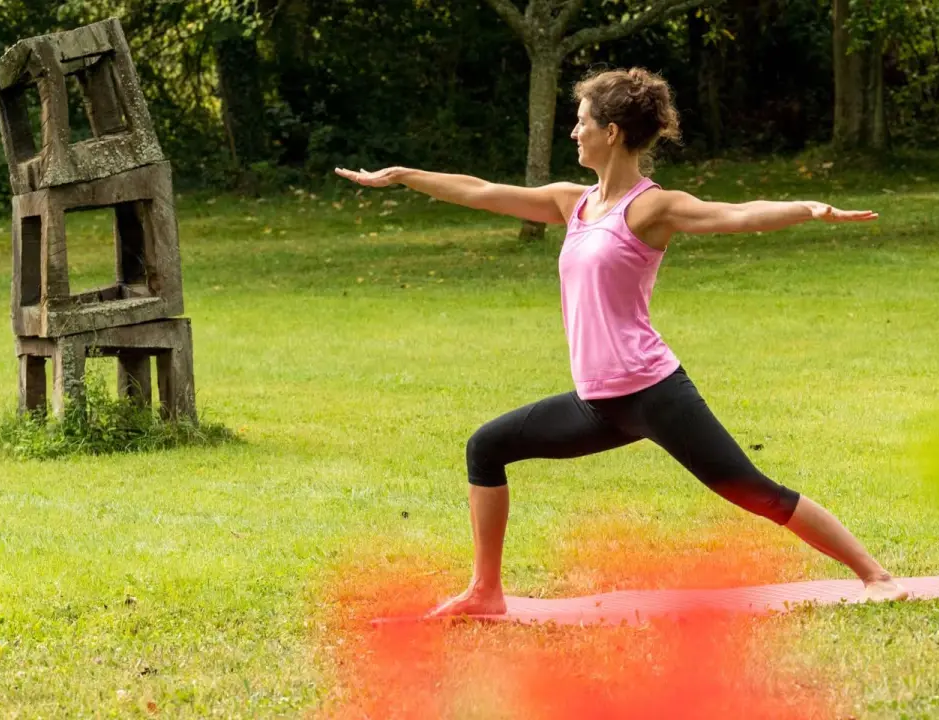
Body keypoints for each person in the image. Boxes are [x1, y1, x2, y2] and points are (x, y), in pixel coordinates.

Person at [336, 67, 907, 617]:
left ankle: (877, 577)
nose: (574, 131)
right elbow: (484, 191)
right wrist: (406, 175)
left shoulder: (651, 208)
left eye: (582, 121)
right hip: (597, 404)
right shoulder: (573, 202)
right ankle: (485, 591)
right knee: (486, 447)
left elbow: (733, 216)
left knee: (753, 491)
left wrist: (806, 208)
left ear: (611, 133)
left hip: (654, 393)